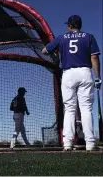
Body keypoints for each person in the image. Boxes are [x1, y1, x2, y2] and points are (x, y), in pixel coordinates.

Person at [42, 15, 101, 151]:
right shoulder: (89, 36)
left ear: (69, 25)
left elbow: (44, 51)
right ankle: (90, 143)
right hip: (85, 72)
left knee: (69, 109)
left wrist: (57, 50)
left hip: (68, 74)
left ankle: (67, 143)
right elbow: (94, 57)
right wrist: (98, 77)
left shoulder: (62, 38)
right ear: (79, 25)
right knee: (86, 108)